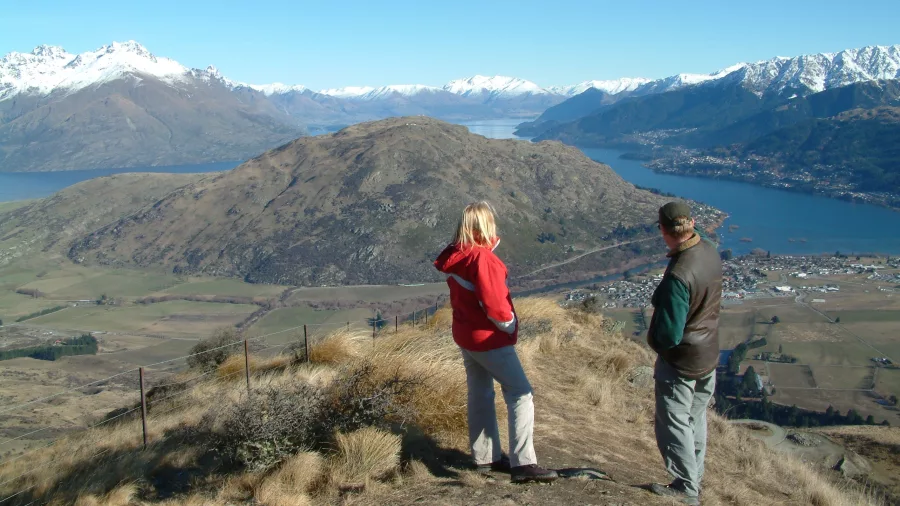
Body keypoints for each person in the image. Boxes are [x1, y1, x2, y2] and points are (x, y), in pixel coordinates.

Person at [434, 201, 557, 484]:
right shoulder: (481, 259)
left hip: (466, 335)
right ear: (485, 226)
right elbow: (496, 307)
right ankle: (523, 463)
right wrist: (511, 325)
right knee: (521, 393)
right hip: (488, 339)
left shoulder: (457, 255)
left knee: (481, 393)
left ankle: (485, 457)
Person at [647, 201, 722, 505]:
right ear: (692, 223)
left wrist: (656, 345)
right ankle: (695, 477)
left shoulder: (680, 275)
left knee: (675, 421)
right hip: (708, 355)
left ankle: (685, 487)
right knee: (695, 418)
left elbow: (669, 335)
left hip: (681, 361)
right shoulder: (709, 251)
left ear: (662, 230)